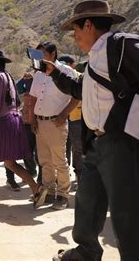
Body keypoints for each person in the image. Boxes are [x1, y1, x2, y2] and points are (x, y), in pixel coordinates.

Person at [48, 0, 139, 261]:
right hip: (96, 144)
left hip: (120, 143)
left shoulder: (122, 45)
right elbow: (81, 91)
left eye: (76, 29)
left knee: (127, 209)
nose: (75, 36)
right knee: (87, 202)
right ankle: (86, 252)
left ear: (89, 25)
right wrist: (55, 73)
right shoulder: (93, 61)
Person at [0, 49, 45, 205]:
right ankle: (35, 188)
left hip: (1, 122)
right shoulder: (7, 76)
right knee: (9, 162)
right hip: (11, 120)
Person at [29, 42, 79, 210]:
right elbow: (33, 98)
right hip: (40, 122)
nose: (37, 57)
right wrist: (33, 118)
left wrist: (64, 114)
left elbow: (77, 96)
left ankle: (63, 194)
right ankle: (49, 192)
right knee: (45, 161)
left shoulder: (66, 72)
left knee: (59, 161)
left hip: (55, 123)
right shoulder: (38, 75)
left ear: (52, 54)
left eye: (41, 53)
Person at [58, 54, 84, 184]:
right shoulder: (57, 79)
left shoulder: (80, 77)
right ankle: (64, 178)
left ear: (72, 64)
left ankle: (80, 176)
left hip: (76, 119)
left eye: (66, 64)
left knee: (78, 149)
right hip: (61, 119)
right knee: (63, 150)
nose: (64, 67)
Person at [16, 72, 41, 183]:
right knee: (26, 149)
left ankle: (42, 176)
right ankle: (31, 171)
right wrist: (23, 78)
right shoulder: (29, 81)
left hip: (39, 120)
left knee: (40, 151)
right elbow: (18, 88)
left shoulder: (43, 81)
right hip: (26, 121)